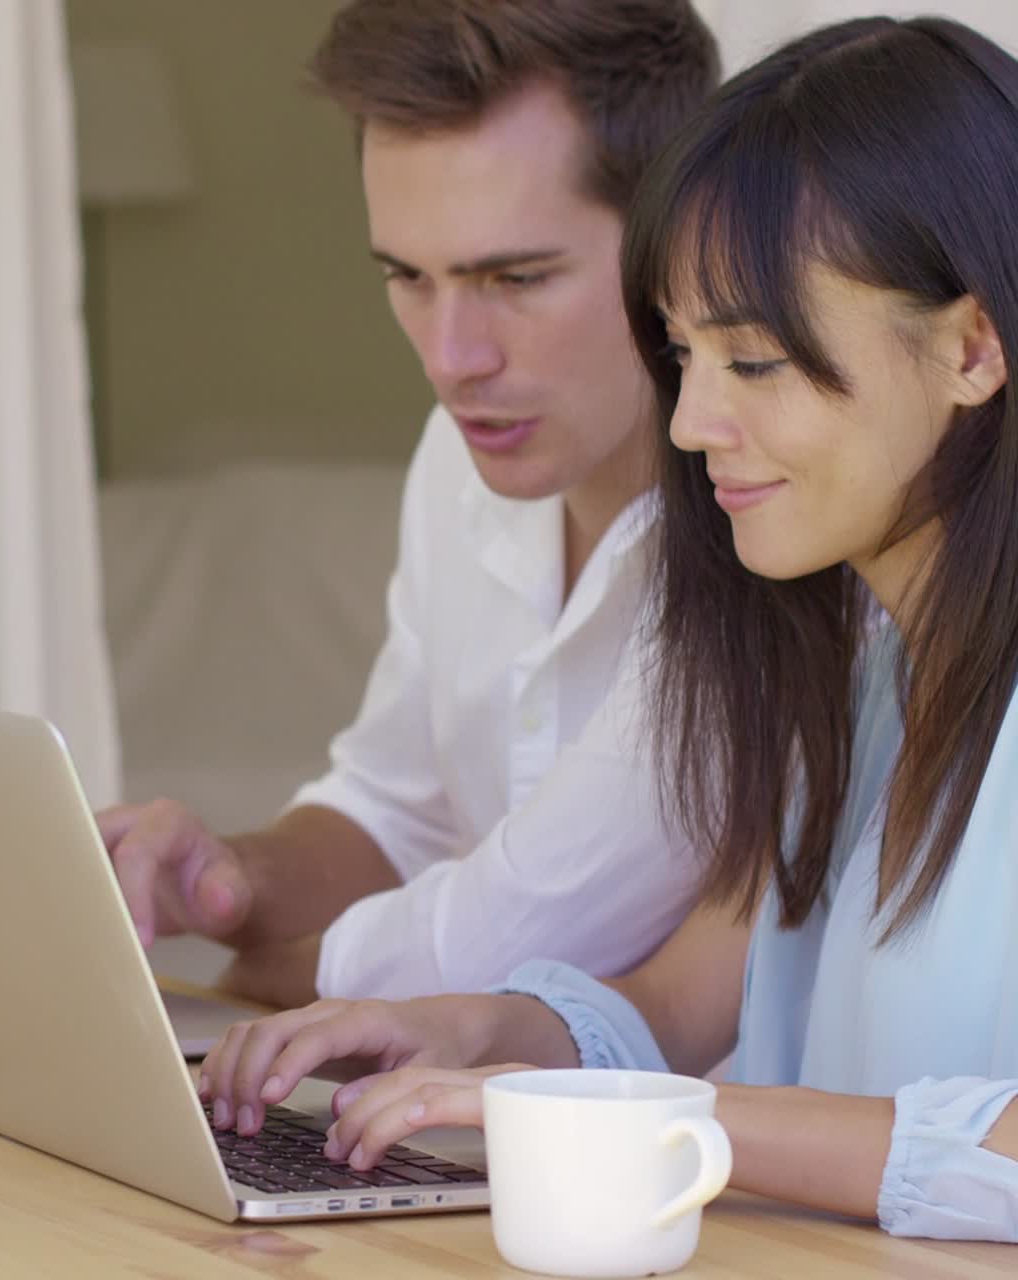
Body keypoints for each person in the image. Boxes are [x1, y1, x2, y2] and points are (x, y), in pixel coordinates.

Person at [196, 15, 1018, 1241]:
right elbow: (678, 1005)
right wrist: (474, 1033)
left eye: (753, 361)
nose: (688, 424)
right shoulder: (864, 664)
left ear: (968, 346)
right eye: (683, 355)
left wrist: (676, 1126)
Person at [97, 0, 721, 1008]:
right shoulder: (457, 452)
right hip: (452, 1133)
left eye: (515, 277)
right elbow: (396, 810)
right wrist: (228, 878)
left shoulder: (768, 519)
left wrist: (269, 979)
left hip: (688, 1154)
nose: (449, 359)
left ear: (679, 236)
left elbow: (514, 926)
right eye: (407, 276)